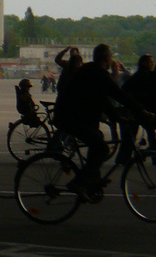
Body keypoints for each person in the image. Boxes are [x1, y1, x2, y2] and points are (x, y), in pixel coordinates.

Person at [55, 43, 150, 196]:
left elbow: (101, 99)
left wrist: (116, 116)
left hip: (70, 115)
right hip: (69, 117)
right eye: (110, 57)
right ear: (106, 59)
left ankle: (93, 178)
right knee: (102, 148)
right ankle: (78, 182)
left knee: (98, 138)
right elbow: (117, 94)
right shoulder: (98, 74)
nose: (111, 60)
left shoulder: (90, 70)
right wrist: (141, 111)